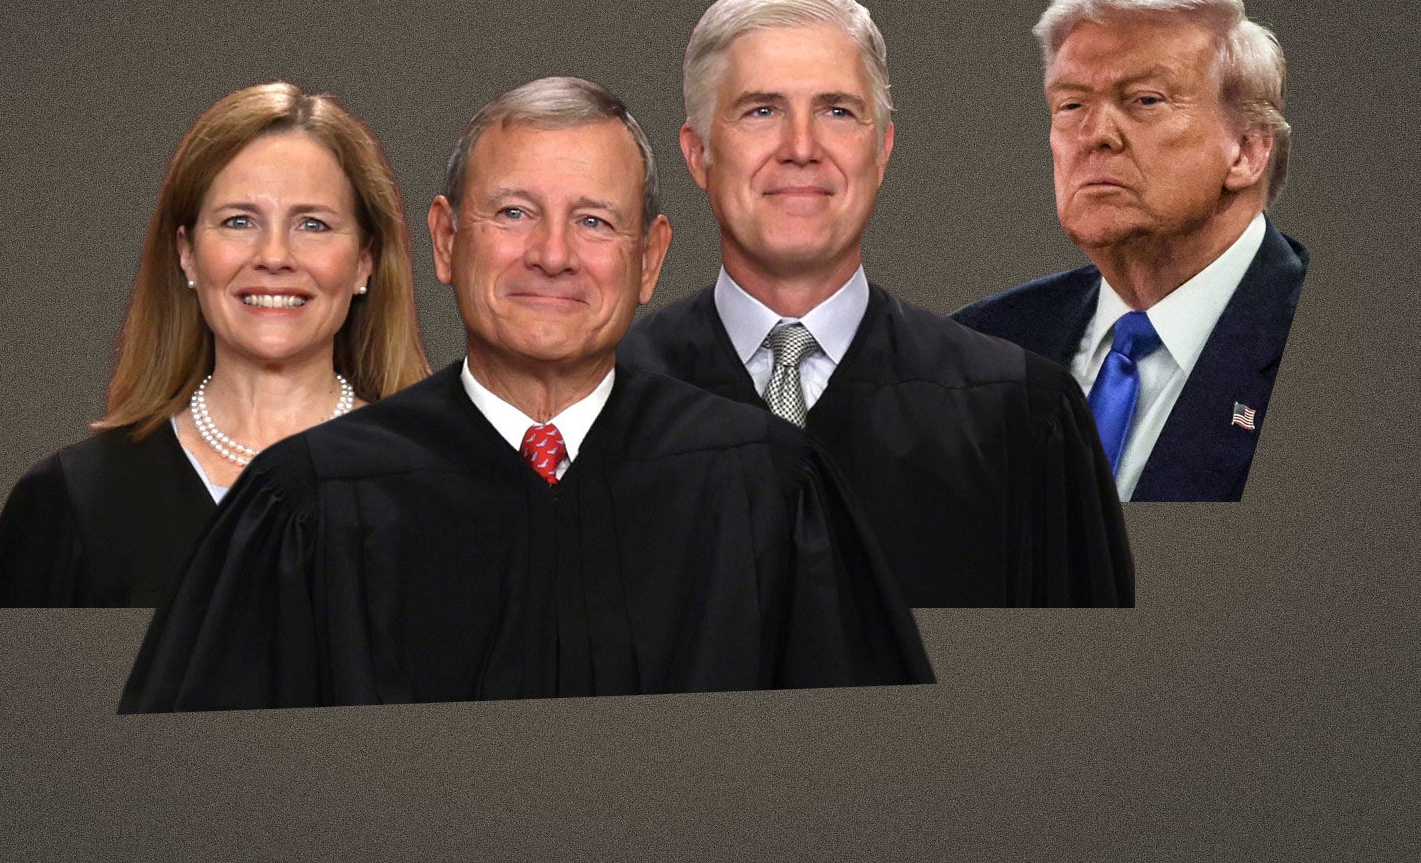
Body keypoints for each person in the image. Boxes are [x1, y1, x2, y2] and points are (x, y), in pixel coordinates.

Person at [120, 76, 932, 712]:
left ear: (649, 259)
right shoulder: (306, 500)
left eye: (593, 221)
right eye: (513, 213)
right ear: (444, 240)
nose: (552, 255)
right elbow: (205, 792)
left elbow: (869, 778)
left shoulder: (771, 486)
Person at [620, 0, 1133, 607]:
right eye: (761, 111)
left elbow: (1087, 683)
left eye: (837, 111)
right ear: (698, 154)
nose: (801, 148)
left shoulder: (1024, 416)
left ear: (882, 147)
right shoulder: (596, 407)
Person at [0, 82, 430, 607]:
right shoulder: (73, 500)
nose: (274, 255)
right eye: (239, 221)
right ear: (187, 253)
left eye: (313, 224)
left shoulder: (444, 499)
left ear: (365, 262)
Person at [954, 0, 1310, 503]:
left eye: (1145, 100)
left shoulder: (1346, 356)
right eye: (1071, 105)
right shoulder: (974, 348)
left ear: (1246, 152)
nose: (1095, 134)